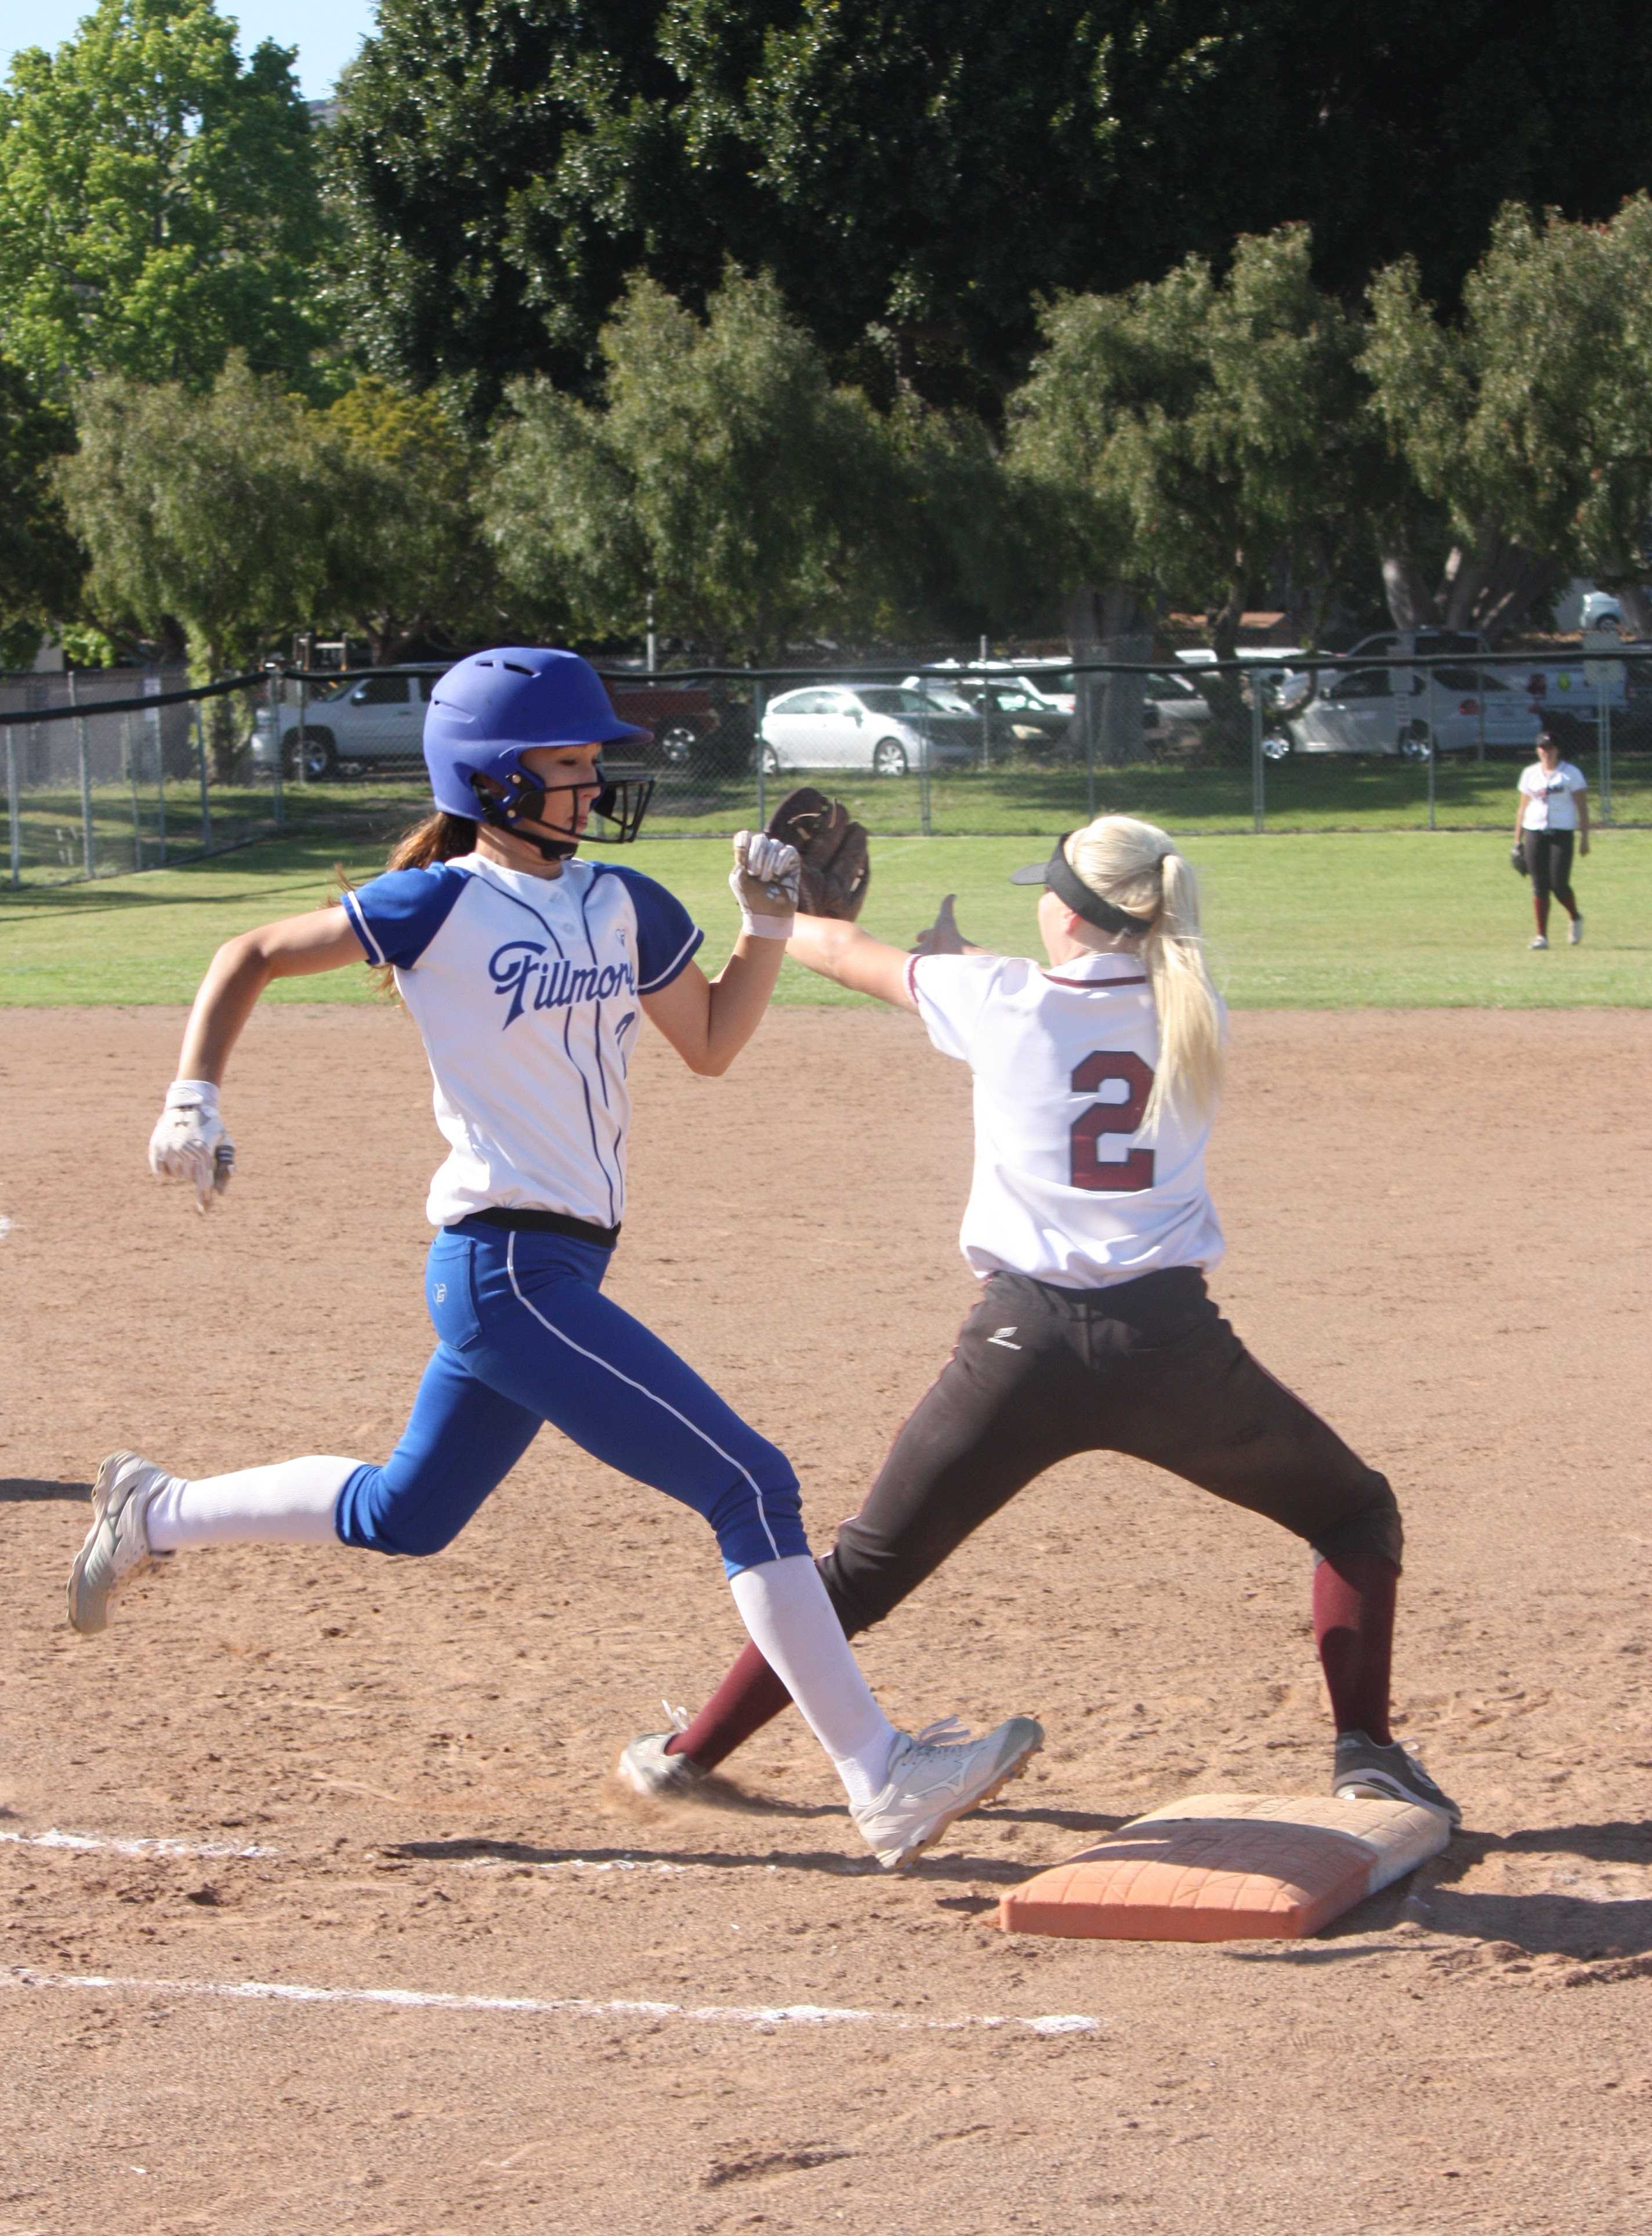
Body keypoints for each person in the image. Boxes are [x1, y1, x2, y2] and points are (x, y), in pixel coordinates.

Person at [66, 646, 1040, 1872]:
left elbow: (712, 1043)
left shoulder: (621, 902)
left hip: (555, 1276)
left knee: (405, 1513)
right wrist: (190, 1100)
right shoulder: (437, 905)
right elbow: (249, 955)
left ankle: (154, 1512)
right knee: (748, 1484)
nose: (595, 785)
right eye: (571, 765)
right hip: (502, 1269)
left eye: (591, 765)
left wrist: (766, 926)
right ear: (495, 781)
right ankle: (880, 1777)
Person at [617, 814, 1459, 1825]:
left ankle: (686, 1755)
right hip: (1174, 1353)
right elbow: (1062, 998)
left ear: (1062, 912)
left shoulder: (996, 997)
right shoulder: (1194, 1007)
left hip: (1017, 1351)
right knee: (1351, 1513)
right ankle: (1364, 1752)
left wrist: (787, 911)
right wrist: (957, 956)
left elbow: (836, 952)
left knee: (859, 1571)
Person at [1515, 729, 1588, 948]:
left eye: (1551, 748)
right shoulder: (1530, 773)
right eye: (1543, 748)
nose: (1547, 752)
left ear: (1558, 750)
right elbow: (1522, 808)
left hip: (1561, 833)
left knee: (1559, 884)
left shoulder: (1571, 774)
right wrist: (1517, 841)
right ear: (1537, 750)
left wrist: (1585, 838)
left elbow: (1582, 808)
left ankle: (1575, 916)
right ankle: (1542, 936)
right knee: (1539, 885)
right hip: (1535, 832)